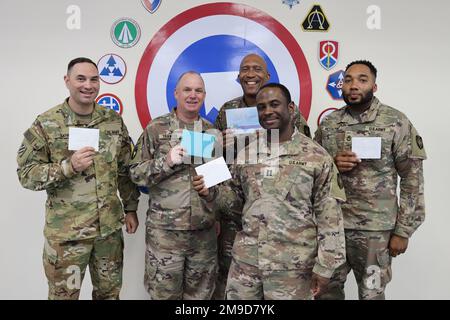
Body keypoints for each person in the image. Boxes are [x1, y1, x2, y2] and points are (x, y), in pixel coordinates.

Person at [193, 83, 346, 299]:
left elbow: (330, 217)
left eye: (275, 104)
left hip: (292, 268)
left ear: (290, 108)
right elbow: (236, 204)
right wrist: (212, 193)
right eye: (262, 107)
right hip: (247, 265)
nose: (267, 111)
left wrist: (325, 266)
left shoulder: (316, 157)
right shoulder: (247, 154)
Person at [16, 57, 140, 300]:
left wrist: (131, 207)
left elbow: (124, 169)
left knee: (109, 296)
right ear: (67, 81)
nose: (88, 85)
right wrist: (67, 167)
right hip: (68, 236)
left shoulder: (112, 121)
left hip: (108, 234)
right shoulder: (47, 123)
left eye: (94, 79)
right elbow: (26, 174)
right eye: (80, 78)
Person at [314, 60, 426, 300]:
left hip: (375, 231)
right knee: (325, 293)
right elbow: (313, 170)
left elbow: (412, 178)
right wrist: (332, 162)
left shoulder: (395, 122)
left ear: (374, 86)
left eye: (362, 80)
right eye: (348, 80)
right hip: (333, 228)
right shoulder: (330, 124)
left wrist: (403, 231)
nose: (354, 85)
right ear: (341, 86)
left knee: (372, 294)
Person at [212, 53, 311, 299]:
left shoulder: (288, 110)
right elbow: (213, 159)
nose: (250, 74)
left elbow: (305, 150)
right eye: (245, 69)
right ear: (238, 77)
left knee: (280, 283)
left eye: (257, 69)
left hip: (280, 210)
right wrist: (219, 146)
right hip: (236, 209)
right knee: (233, 276)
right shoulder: (227, 110)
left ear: (267, 76)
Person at [130, 71, 218, 299]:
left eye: (198, 90)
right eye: (187, 90)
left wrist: (211, 193)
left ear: (204, 95)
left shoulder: (212, 132)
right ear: (176, 93)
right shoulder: (156, 129)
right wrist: (166, 162)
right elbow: (135, 173)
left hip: (203, 236)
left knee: (200, 299)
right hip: (165, 235)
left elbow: (223, 185)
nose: (193, 95)